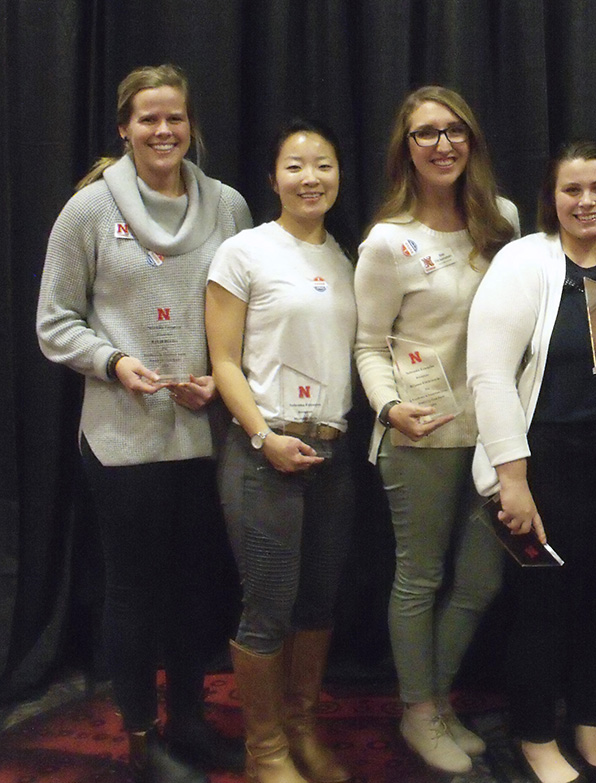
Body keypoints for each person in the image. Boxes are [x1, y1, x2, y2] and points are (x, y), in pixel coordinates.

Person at [35, 64, 251, 783]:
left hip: (203, 435)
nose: (164, 131)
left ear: (192, 126)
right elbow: (53, 323)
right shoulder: (90, 211)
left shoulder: (228, 206)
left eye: (176, 119)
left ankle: (188, 724)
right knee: (134, 592)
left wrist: (220, 381)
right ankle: (139, 738)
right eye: (149, 119)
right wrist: (114, 362)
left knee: (195, 589)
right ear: (124, 127)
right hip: (123, 440)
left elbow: (251, 311)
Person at [467, 139, 596, 783]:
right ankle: (532, 732)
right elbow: (490, 376)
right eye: (572, 190)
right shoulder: (524, 261)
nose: (587, 202)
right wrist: (513, 481)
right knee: (544, 604)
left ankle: (589, 720)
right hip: (548, 461)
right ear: (550, 199)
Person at [353, 85, 519, 775]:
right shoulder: (388, 242)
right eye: (427, 133)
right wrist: (390, 408)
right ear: (407, 148)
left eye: (454, 130)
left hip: (495, 436)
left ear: (472, 141)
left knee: (481, 579)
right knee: (419, 576)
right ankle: (421, 710)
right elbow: (367, 343)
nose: (443, 144)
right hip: (420, 434)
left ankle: (435, 700)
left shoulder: (502, 221)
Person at [206, 119, 357, 783]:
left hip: (332, 451)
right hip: (263, 448)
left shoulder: (347, 259)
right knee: (267, 603)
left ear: (339, 176)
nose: (309, 178)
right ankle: (263, 747)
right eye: (295, 166)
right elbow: (223, 361)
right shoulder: (244, 252)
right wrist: (265, 437)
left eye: (322, 165)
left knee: (318, 601)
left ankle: (301, 726)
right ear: (273, 178)